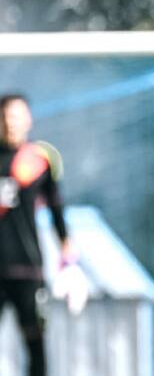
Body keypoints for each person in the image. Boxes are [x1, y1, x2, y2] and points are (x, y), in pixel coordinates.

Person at [0, 94, 74, 376]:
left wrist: (68, 255)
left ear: (28, 119)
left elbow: (57, 210)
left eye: (16, 116)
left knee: (35, 345)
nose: (11, 123)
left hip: (28, 269)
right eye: (6, 116)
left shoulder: (38, 161)